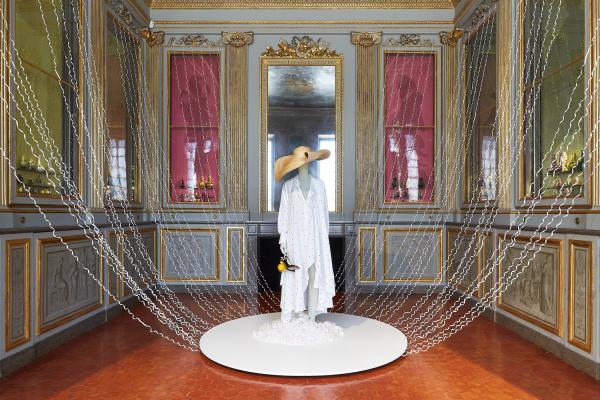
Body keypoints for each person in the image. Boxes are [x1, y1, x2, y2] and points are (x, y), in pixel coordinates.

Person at [275, 146, 335, 323]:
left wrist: (324, 238)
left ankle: (312, 316)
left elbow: (324, 213)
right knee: (295, 273)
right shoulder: (288, 186)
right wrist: (283, 238)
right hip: (296, 237)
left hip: (315, 236)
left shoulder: (319, 185)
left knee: (314, 274)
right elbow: (284, 213)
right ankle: (296, 310)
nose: (302, 165)